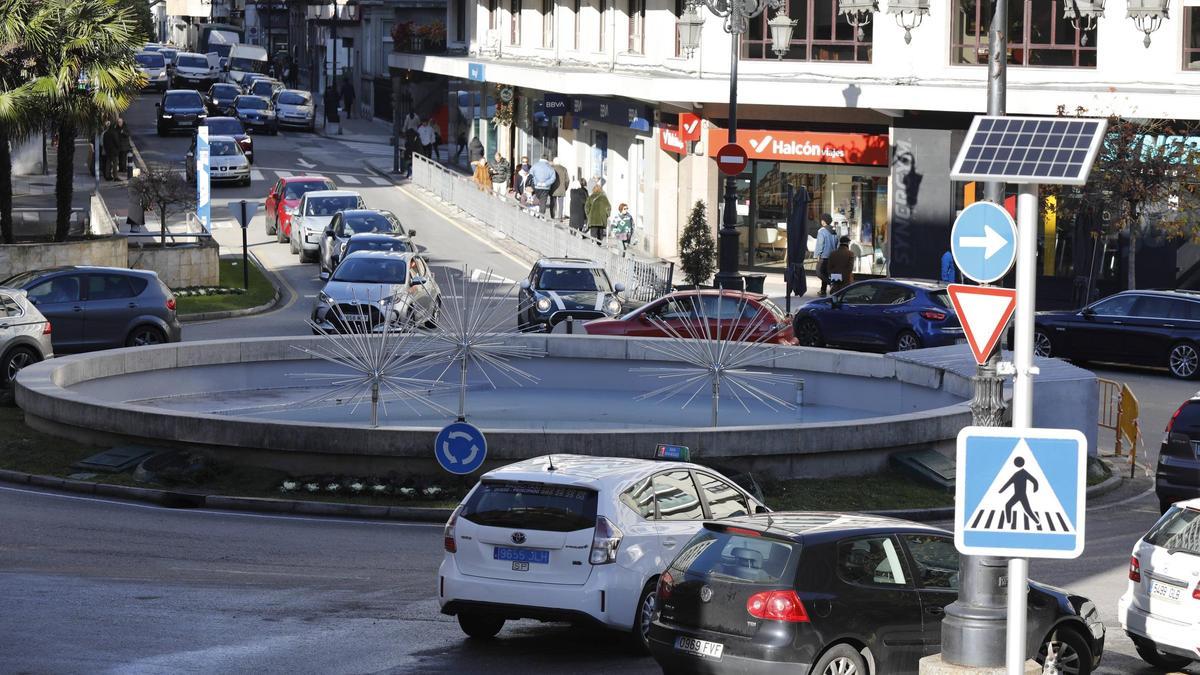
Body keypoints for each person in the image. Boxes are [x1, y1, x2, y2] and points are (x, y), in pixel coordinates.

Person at [814, 213, 837, 296]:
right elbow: (837, 244)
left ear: (823, 221)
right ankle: (823, 291)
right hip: (833, 256)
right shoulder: (834, 231)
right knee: (825, 273)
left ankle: (831, 283)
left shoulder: (822, 231)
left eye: (822, 220)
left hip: (824, 256)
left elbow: (820, 244)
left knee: (819, 272)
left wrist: (817, 255)